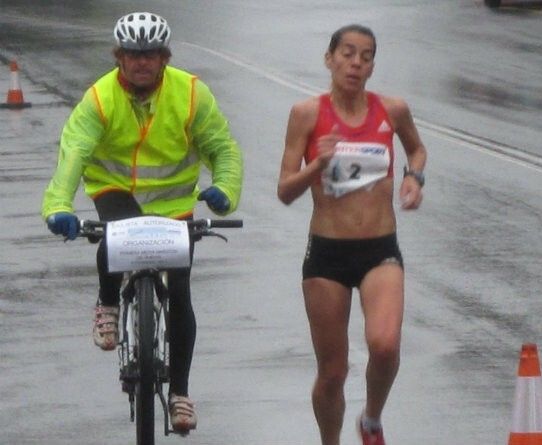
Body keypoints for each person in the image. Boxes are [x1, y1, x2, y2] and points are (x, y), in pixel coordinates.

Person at [41, 11, 243, 434]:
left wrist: (224, 191)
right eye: (133, 54)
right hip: (116, 191)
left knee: (181, 288)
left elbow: (222, 148)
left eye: (150, 54)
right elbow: (73, 153)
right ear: (119, 57)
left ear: (165, 57)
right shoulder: (99, 99)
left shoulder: (191, 94)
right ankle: (108, 302)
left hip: (174, 204)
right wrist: (58, 206)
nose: (142, 62)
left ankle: (180, 395)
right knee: (112, 238)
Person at [277, 24, 427, 445]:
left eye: (365, 56)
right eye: (347, 53)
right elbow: (285, 190)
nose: (355, 63)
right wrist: (316, 166)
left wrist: (414, 178)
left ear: (372, 66)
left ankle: (372, 420)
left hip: (381, 249)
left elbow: (417, 148)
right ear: (330, 59)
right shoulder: (306, 114)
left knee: (385, 346)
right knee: (333, 373)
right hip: (327, 255)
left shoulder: (392, 110)